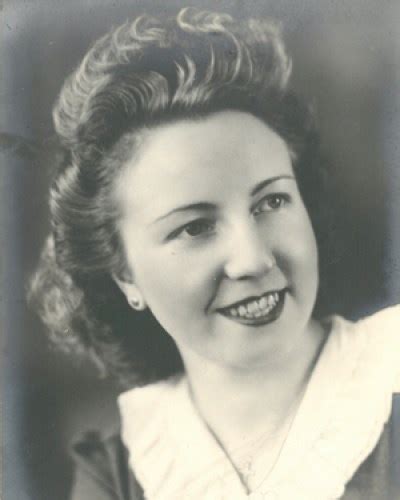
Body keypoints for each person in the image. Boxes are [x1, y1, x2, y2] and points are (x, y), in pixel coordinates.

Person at [28, 7, 400, 500]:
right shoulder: (120, 472)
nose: (253, 260)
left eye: (272, 202)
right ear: (124, 274)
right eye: (195, 227)